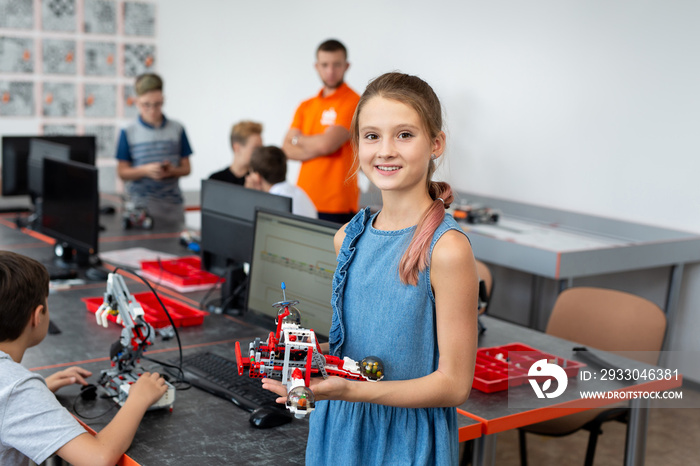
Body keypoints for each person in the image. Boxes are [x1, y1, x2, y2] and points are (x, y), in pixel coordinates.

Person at [264, 72, 479, 464]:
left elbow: (453, 385)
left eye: (404, 135)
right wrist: (304, 358)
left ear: (435, 144)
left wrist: (349, 390)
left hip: (403, 439)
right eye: (372, 135)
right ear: (357, 145)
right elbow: (361, 347)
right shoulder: (348, 236)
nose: (386, 150)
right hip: (338, 429)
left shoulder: (447, 249)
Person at [0, 251, 168, 466]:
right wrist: (138, 399)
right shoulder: (15, 389)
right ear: (37, 316)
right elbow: (97, 459)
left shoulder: (12, 390)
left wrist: (40, 392)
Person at [282, 39, 360, 224]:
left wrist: (299, 139)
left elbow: (327, 144)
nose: (330, 71)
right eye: (325, 65)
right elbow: (286, 149)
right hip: (302, 198)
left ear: (346, 66)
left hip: (336, 203)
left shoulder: (354, 102)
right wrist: (321, 143)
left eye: (336, 64)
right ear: (316, 66)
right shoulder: (306, 106)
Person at [116, 73, 193, 228]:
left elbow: (187, 168)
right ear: (137, 102)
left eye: (157, 104)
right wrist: (145, 170)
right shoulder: (128, 131)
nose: (152, 110)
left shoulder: (177, 129)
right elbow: (122, 172)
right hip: (141, 207)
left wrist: (171, 171)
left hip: (172, 205)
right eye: (146, 104)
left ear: (163, 100)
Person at [245, 145, 317, 218]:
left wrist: (250, 194)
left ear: (257, 177)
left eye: (250, 173)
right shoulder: (300, 193)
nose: (248, 178)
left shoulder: (274, 203)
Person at [209, 120, 263, 185]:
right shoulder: (215, 181)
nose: (260, 153)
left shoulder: (261, 181)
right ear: (237, 148)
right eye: (255, 148)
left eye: (261, 148)